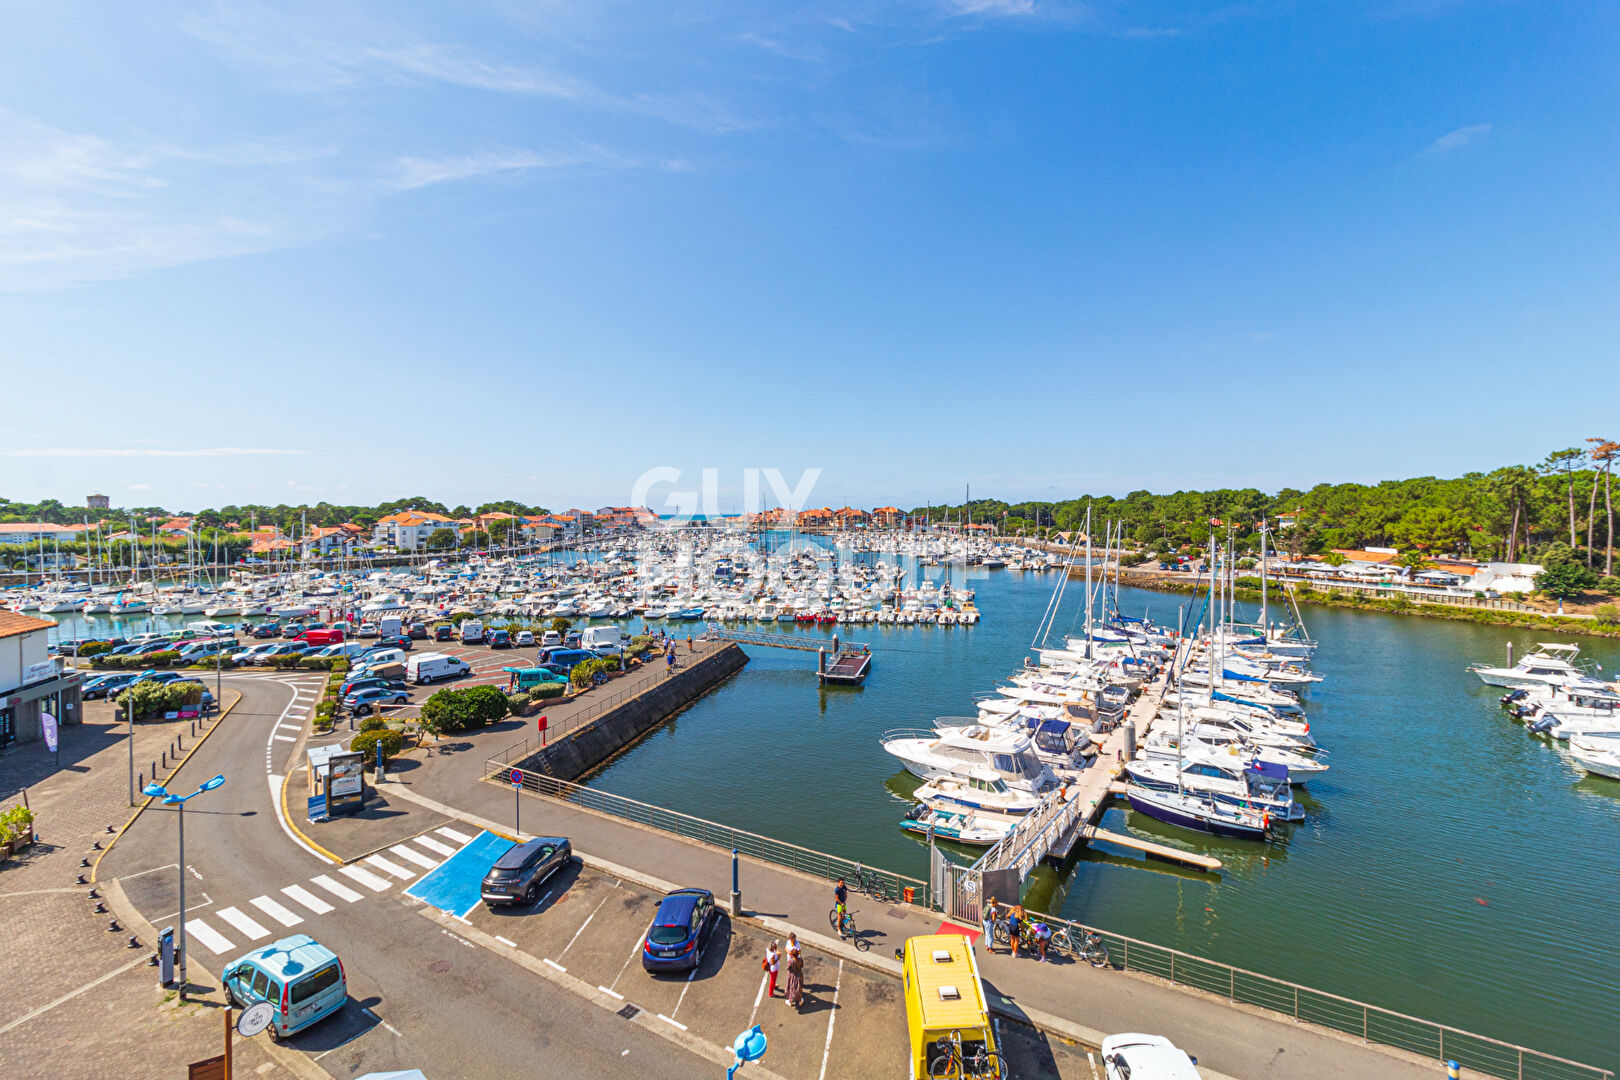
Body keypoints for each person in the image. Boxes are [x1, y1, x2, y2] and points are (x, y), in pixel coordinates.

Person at [785, 943, 804, 1008]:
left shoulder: (791, 961)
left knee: (792, 988)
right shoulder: (800, 960)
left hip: (793, 976)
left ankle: (790, 1001)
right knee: (799, 988)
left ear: (792, 955)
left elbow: (788, 968)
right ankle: (800, 1000)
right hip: (799, 975)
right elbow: (802, 966)